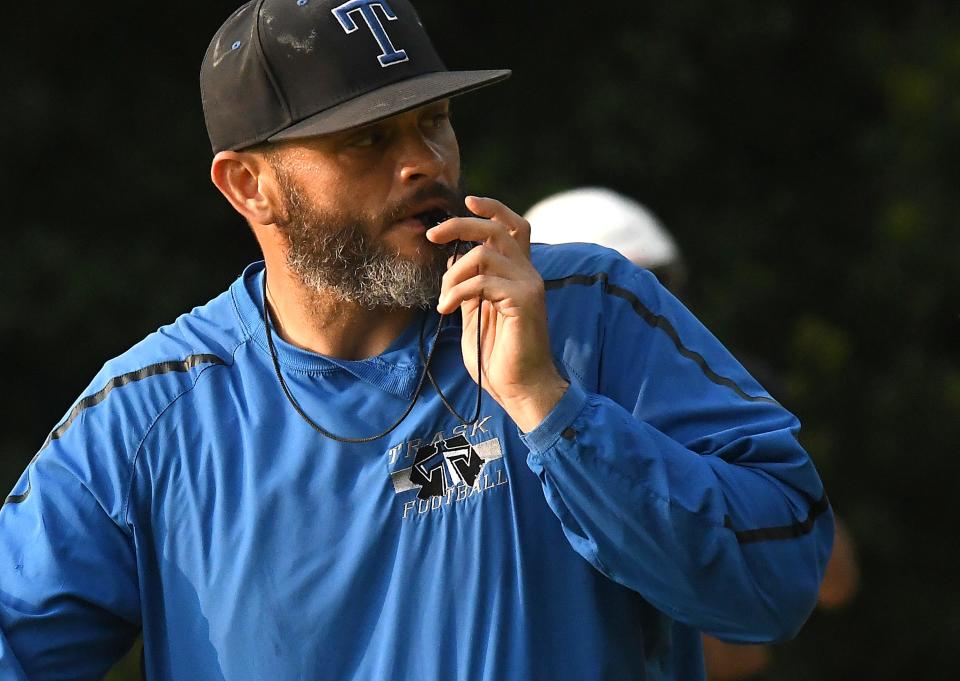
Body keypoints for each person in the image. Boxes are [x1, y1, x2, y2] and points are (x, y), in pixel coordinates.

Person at [0, 2, 833, 680]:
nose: (424, 162)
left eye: (432, 119)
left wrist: (549, 407)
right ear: (249, 184)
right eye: (367, 138)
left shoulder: (587, 311)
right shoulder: (150, 415)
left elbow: (782, 577)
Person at [527, 187, 860, 681]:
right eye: (606, 293)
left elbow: (828, 578)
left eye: (652, 285)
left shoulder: (723, 392)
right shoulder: (505, 418)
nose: (635, 308)